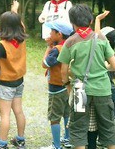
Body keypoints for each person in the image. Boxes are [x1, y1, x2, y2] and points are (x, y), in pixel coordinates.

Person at [57, 4, 115, 149]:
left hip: (79, 89)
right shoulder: (101, 38)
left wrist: (67, 84)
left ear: (73, 24)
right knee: (108, 128)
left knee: (79, 129)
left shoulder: (70, 42)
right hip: (102, 88)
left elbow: (63, 72)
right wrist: (104, 68)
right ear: (90, 20)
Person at [0, 1, 28, 149]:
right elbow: (20, 24)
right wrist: (15, 10)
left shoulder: (2, 45)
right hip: (19, 80)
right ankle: (20, 140)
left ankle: (2, 144)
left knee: (5, 115)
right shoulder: (21, 38)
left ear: (3, 26)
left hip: (6, 83)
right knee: (18, 111)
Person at [87, 11, 115, 149]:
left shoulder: (98, 52)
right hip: (111, 90)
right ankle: (104, 141)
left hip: (99, 91)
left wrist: (97, 19)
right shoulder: (112, 55)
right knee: (108, 121)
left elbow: (98, 36)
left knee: (93, 122)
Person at [40, 19, 73, 149]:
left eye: (52, 31)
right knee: (66, 113)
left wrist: (48, 46)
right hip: (67, 86)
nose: (49, 34)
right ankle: (68, 139)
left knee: (54, 117)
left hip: (56, 87)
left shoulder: (56, 50)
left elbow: (44, 64)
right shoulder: (69, 46)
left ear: (59, 34)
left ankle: (56, 145)